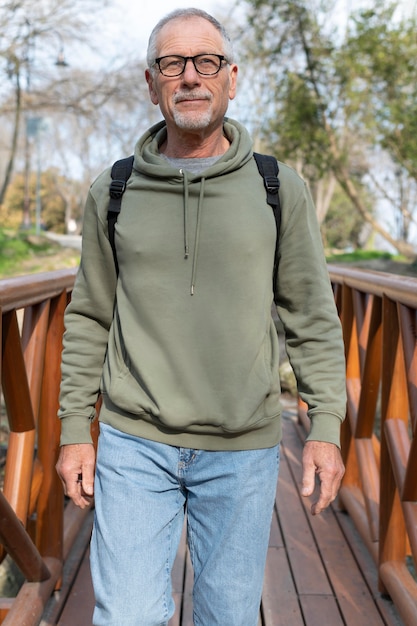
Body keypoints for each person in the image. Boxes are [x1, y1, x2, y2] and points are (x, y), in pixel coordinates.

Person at [56, 7, 346, 626]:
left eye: (206, 62)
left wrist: (325, 424)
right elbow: (87, 317)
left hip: (243, 449)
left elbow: (312, 316)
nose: (190, 76)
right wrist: (75, 431)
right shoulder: (113, 191)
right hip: (134, 443)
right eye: (172, 64)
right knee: (126, 616)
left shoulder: (277, 188)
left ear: (231, 78)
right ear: (152, 82)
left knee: (229, 618)